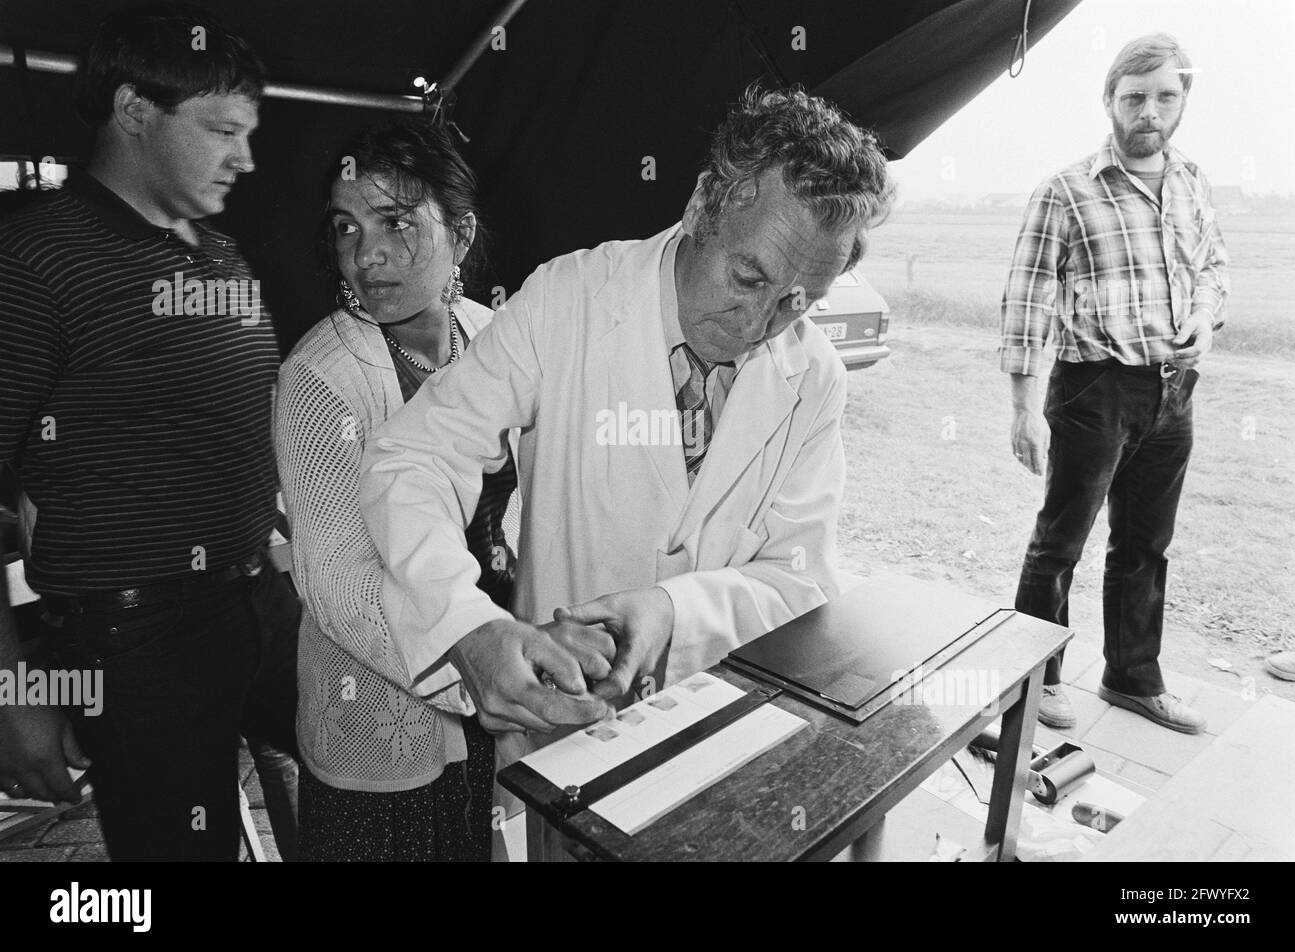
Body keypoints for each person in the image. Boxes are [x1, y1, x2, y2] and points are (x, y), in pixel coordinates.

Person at [358, 86, 894, 737]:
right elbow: (414, 457)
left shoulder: (814, 377)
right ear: (703, 206)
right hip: (561, 719)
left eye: (798, 301)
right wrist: (464, 627)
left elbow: (800, 578)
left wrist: (673, 611)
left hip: (721, 718)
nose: (757, 324)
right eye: (748, 278)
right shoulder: (570, 301)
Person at [0, 3, 300, 860]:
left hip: (261, 598)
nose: (246, 157)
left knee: (365, 758)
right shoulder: (33, 263)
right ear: (134, 110)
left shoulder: (222, 255)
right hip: (138, 646)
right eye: (222, 130)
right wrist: (14, 695)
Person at [276, 120, 606, 861]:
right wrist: (473, 659)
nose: (367, 254)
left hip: (491, 696)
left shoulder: (494, 339)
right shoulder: (319, 378)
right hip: (378, 721)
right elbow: (336, 583)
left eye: (396, 222)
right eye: (346, 228)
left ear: (461, 233)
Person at [1000, 34, 1228, 735]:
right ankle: (1033, 681)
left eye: (1165, 96)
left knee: (1145, 544)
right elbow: (1027, 300)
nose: (1149, 112)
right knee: (1060, 541)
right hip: (1090, 390)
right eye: (1134, 97)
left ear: (1183, 100)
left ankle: (1132, 676)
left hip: (1172, 390)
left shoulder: (1191, 179)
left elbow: (1214, 267)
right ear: (1109, 102)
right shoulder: (1067, 190)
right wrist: (1022, 408)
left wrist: (1204, 317)